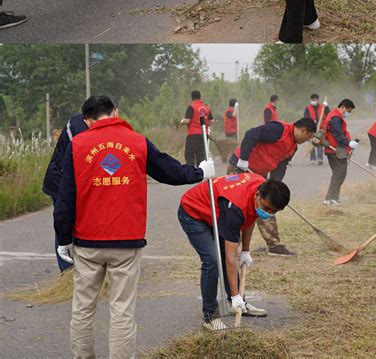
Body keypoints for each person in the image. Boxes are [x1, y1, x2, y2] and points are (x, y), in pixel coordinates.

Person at [53, 95, 215, 359]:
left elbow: (65, 199)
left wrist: (63, 239)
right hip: (127, 242)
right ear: (116, 112)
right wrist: (199, 172)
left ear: (86, 120)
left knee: (82, 309)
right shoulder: (137, 141)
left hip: (87, 242)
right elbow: (167, 170)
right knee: (122, 311)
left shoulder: (78, 144)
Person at [179, 172, 290, 330]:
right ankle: (210, 316)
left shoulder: (259, 188)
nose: (269, 213)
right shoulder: (235, 208)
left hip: (217, 212)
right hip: (193, 212)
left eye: (273, 211)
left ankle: (237, 304)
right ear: (258, 195)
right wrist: (236, 294)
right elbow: (231, 258)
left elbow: (250, 218)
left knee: (224, 255)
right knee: (213, 260)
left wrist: (246, 250)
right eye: (266, 208)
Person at [228, 117, 316, 257]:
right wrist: (244, 159)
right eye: (309, 137)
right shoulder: (278, 130)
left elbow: (281, 167)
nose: (308, 140)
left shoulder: (293, 147)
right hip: (240, 168)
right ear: (304, 130)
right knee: (239, 207)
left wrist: (274, 185)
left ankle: (274, 245)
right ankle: (229, 246)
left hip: (259, 175)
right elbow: (251, 134)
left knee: (269, 203)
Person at [42, 112, 90, 272]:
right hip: (60, 182)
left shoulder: (95, 127)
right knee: (65, 222)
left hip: (77, 182)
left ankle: (88, 268)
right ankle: (68, 271)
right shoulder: (77, 128)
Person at [323, 99, 359, 205]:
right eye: (348, 111)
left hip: (338, 150)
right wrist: (349, 143)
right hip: (334, 150)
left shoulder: (336, 117)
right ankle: (329, 198)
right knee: (339, 174)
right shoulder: (335, 118)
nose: (348, 114)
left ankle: (334, 198)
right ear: (343, 107)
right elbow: (338, 134)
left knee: (340, 174)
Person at [180, 90, 214, 166]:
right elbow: (211, 121)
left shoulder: (191, 107)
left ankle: (192, 174)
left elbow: (187, 120)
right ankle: (200, 174)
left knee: (189, 155)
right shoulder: (206, 107)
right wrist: (205, 125)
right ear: (200, 97)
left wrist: (182, 121)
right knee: (201, 157)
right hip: (204, 136)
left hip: (193, 136)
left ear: (191, 98)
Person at [304, 94, 329, 165]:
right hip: (311, 128)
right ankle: (312, 159)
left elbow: (328, 113)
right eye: (312, 100)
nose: (313, 101)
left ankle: (320, 158)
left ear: (318, 100)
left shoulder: (323, 107)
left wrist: (326, 107)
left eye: (314, 100)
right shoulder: (307, 108)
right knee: (311, 143)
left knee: (319, 143)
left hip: (321, 129)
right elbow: (305, 117)